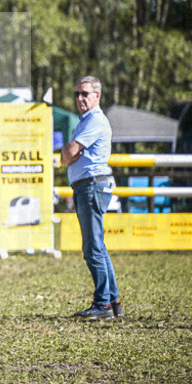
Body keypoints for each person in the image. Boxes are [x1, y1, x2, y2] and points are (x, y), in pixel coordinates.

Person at [60, 75, 124, 321]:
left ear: (97, 96)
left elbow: (67, 154)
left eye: (85, 93)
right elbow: (69, 155)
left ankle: (102, 305)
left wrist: (71, 154)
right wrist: (71, 154)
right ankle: (113, 301)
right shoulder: (87, 121)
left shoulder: (94, 121)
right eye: (77, 93)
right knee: (98, 247)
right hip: (90, 186)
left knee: (92, 249)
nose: (80, 98)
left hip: (91, 187)